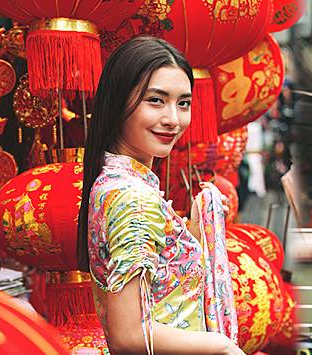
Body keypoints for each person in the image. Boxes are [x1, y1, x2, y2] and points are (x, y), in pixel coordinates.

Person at [75, 36, 245, 355]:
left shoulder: (115, 182)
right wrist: (220, 346)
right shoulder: (132, 196)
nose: (173, 119)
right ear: (118, 102)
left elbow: (160, 292)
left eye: (183, 103)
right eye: (156, 100)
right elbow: (129, 333)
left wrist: (192, 231)